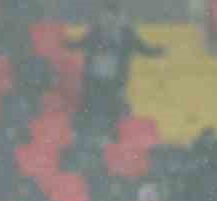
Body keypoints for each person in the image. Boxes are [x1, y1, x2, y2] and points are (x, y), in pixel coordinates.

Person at [65, 0, 163, 139]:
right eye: (106, 16)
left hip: (115, 80)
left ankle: (114, 135)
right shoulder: (96, 31)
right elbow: (80, 43)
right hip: (94, 78)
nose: (110, 20)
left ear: (120, 17)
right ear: (102, 17)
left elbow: (142, 48)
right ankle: (80, 133)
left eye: (114, 16)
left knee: (113, 107)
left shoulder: (127, 33)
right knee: (87, 105)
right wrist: (66, 43)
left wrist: (157, 51)